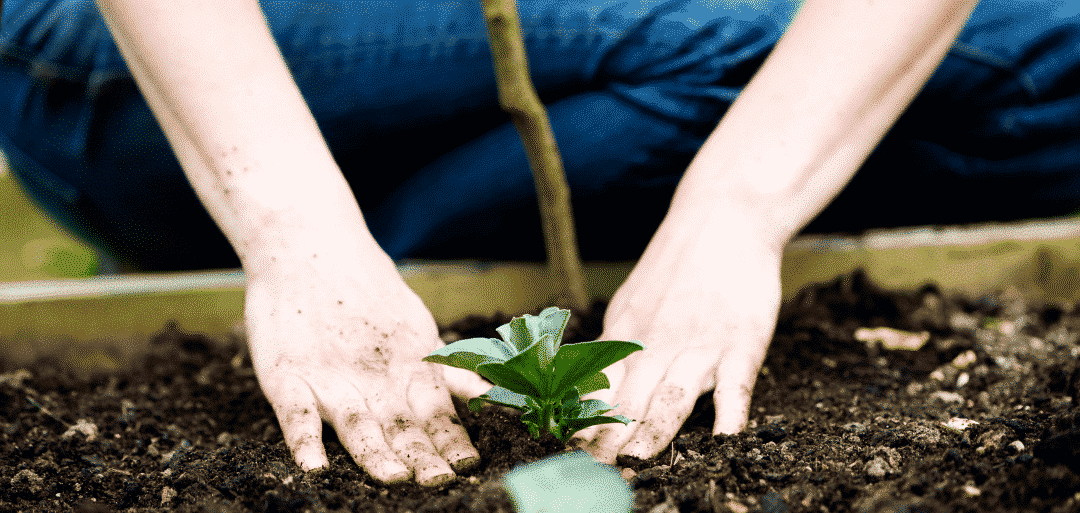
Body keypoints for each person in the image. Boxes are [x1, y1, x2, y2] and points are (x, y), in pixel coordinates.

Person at [2, 0, 1078, 488]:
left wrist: (731, 216)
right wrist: (297, 233)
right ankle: (319, 214)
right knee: (1034, 60)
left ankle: (406, 222)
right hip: (127, 55)